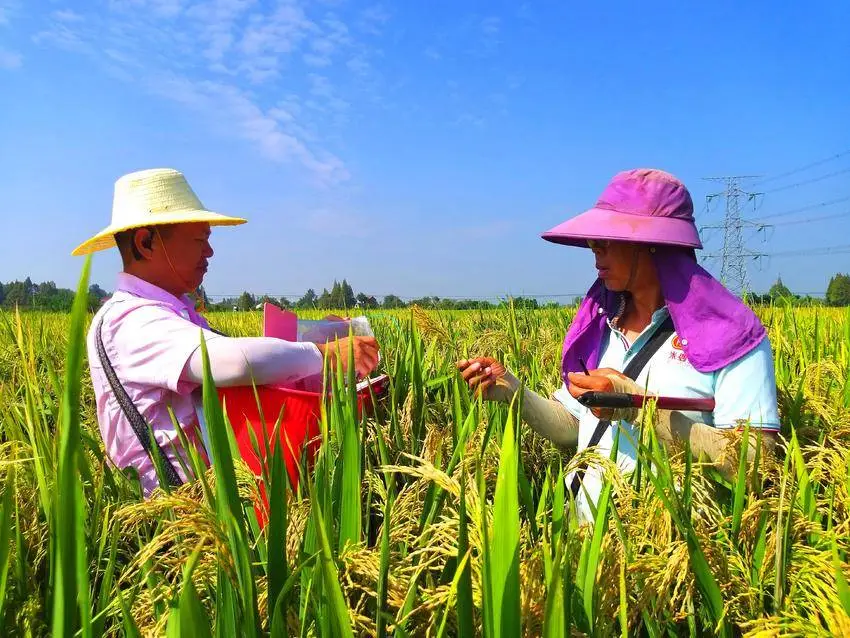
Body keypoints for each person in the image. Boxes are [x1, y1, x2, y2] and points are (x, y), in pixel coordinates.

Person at [458, 168, 780, 524]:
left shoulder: (730, 337)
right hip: (583, 537)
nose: (594, 249)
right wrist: (512, 391)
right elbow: (573, 424)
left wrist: (635, 406)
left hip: (666, 542)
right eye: (594, 240)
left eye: (607, 239)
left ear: (654, 244)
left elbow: (754, 463)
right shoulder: (600, 324)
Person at [72, 168, 380, 496]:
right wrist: (325, 354)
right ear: (146, 243)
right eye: (199, 240)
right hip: (178, 510)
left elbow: (239, 358)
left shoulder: (168, 314)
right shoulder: (131, 321)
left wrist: (321, 334)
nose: (210, 252)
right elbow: (233, 362)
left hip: (211, 495)